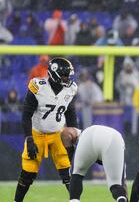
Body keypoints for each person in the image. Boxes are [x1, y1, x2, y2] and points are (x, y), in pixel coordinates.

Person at [14, 57, 78, 202]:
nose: (67, 78)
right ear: (54, 73)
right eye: (64, 75)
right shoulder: (39, 86)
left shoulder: (71, 89)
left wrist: (73, 134)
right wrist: (29, 138)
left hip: (58, 134)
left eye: (68, 75)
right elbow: (26, 114)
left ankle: (75, 200)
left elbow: (70, 112)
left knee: (67, 171)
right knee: (28, 173)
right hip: (37, 133)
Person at [62, 126, 127, 202]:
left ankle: (74, 200)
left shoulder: (80, 134)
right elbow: (122, 183)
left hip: (88, 135)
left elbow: (66, 133)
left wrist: (70, 154)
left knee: (76, 175)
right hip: (113, 138)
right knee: (116, 184)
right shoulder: (117, 140)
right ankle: (121, 199)